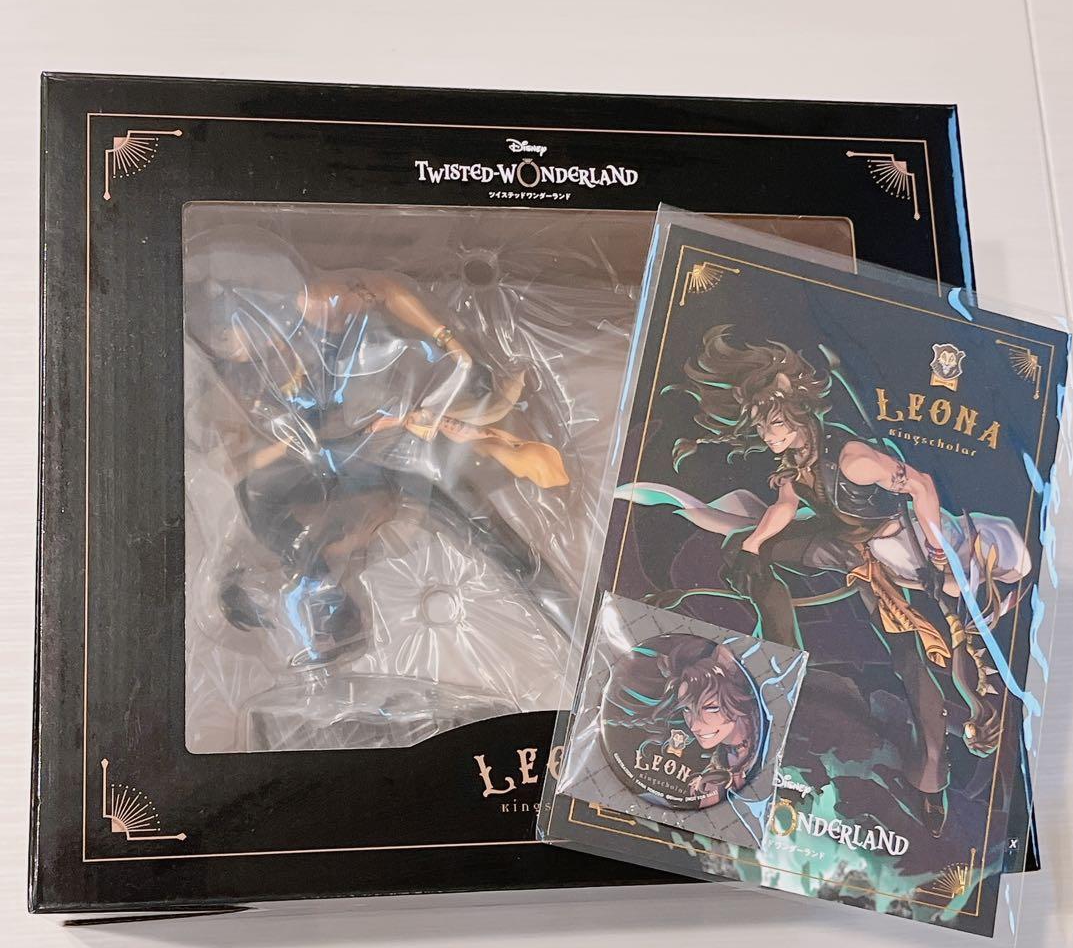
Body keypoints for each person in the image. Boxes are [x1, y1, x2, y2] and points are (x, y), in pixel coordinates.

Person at [618, 326, 1029, 837]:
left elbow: (922, 484)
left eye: (774, 424)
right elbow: (785, 507)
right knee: (749, 549)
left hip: (906, 558)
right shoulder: (796, 462)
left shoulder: (853, 460)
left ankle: (931, 776)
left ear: (797, 413)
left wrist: (936, 544)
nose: (767, 436)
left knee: (915, 659)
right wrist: (752, 545)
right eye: (762, 427)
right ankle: (779, 654)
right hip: (855, 554)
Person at [187, 263, 574, 666]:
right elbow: (255, 462)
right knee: (261, 495)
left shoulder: (311, 312)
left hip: (404, 434)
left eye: (228, 334)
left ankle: (575, 623)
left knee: (491, 534)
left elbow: (384, 289)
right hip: (369, 457)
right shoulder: (252, 385)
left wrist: (447, 342)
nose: (234, 349)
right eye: (221, 344)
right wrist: (300, 445)